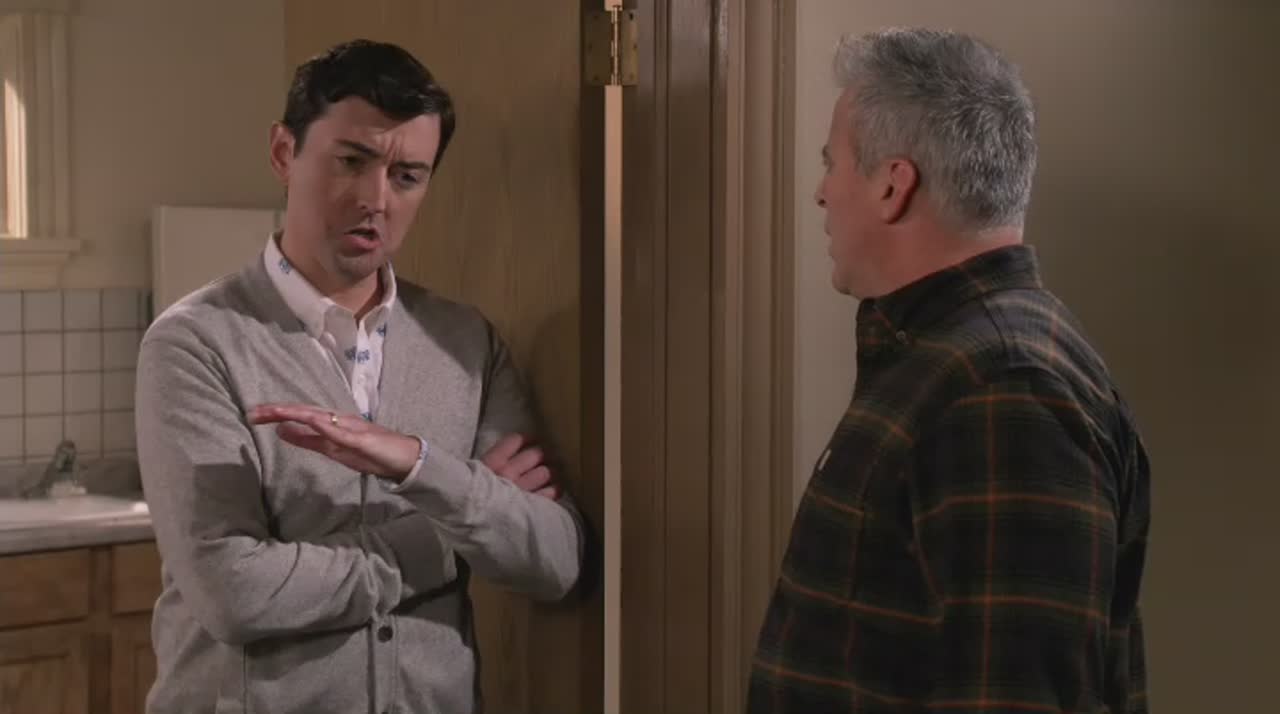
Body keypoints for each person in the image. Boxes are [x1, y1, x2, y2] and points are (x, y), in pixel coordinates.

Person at [136, 39, 583, 714]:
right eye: (352, 161)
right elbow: (234, 592)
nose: (376, 199)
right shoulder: (195, 344)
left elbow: (556, 560)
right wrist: (450, 533)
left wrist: (421, 466)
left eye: (407, 176)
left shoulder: (464, 342)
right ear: (284, 153)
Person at [749, 28, 1150, 713]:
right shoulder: (943, 361)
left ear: (892, 185)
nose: (821, 193)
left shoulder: (1004, 390)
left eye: (831, 164)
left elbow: (1017, 696)